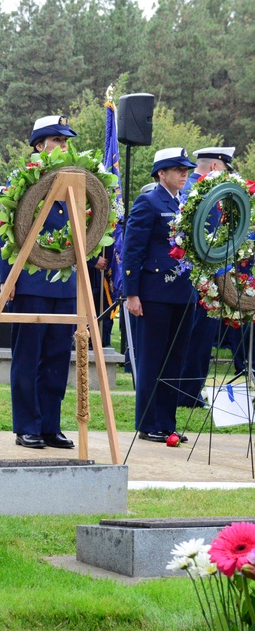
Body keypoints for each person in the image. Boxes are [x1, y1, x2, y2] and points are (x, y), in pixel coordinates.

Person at [0, 115, 79, 450]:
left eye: (65, 141)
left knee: (58, 358)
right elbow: (5, 232)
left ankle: (49, 425)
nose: (63, 147)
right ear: (39, 145)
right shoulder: (24, 180)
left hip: (63, 284)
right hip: (30, 283)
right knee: (28, 358)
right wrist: (9, 281)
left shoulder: (75, 181)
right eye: (57, 141)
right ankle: (27, 425)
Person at [122, 147, 197, 444]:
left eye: (186, 169)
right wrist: (131, 293)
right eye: (178, 169)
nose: (184, 174)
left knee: (175, 362)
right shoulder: (149, 202)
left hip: (182, 292)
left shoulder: (187, 203)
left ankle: (167, 422)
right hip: (154, 294)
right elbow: (132, 250)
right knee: (152, 360)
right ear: (161, 173)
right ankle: (148, 422)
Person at [178, 147, 237, 407]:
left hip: (205, 277)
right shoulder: (196, 192)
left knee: (201, 338)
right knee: (196, 338)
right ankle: (187, 392)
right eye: (225, 169)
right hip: (196, 278)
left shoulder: (202, 190)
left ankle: (190, 390)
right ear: (215, 167)